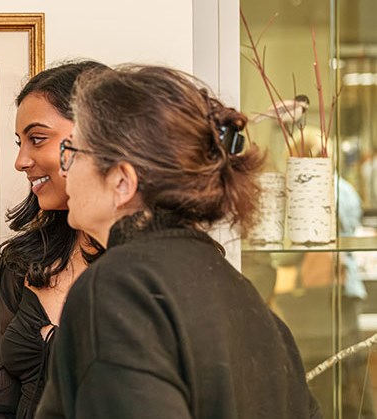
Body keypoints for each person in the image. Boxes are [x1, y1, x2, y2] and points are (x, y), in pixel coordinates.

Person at [36, 65, 322, 418]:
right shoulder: (247, 297)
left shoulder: (119, 287)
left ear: (122, 182)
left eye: (72, 152)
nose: (64, 170)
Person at [0, 61, 107, 419]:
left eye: (37, 139)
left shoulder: (165, 269)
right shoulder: (23, 261)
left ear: (101, 138)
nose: (20, 161)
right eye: (19, 142)